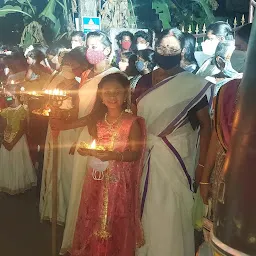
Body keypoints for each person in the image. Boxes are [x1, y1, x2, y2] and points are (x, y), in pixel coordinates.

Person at [135, 28, 212, 256]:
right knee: (147, 207)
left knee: (171, 210)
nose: (166, 52)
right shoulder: (143, 81)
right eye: (161, 48)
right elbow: (135, 119)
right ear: (154, 49)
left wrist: (201, 167)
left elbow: (206, 126)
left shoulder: (192, 84)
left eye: (172, 49)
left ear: (182, 52)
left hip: (177, 155)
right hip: (145, 153)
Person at [59, 31, 120, 255]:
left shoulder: (115, 76)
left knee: (98, 192)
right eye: (88, 46)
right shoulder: (85, 74)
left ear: (108, 49)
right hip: (83, 133)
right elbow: (80, 105)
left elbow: (99, 112)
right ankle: (79, 240)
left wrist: (68, 125)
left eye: (96, 45)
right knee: (79, 189)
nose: (91, 50)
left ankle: (98, 244)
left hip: (103, 136)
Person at [71, 73, 145, 256]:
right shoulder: (98, 121)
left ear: (126, 95)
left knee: (115, 218)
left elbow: (135, 154)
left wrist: (114, 156)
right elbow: (97, 145)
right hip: (97, 177)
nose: (112, 97)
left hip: (119, 182)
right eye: (107, 93)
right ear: (101, 97)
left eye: (117, 92)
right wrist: (88, 151)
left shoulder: (132, 122)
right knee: (94, 216)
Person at [199, 78, 242, 253]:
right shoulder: (229, 91)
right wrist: (204, 179)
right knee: (222, 230)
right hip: (224, 172)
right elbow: (217, 137)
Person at [39, 52, 80, 224]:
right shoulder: (58, 83)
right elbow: (48, 104)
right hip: (55, 127)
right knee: (54, 166)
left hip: (71, 130)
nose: (67, 67)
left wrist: (67, 112)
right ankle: (54, 209)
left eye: (71, 64)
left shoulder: (80, 86)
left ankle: (68, 213)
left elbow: (79, 110)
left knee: (68, 169)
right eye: (65, 63)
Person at [0, 85, 37, 194]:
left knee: (18, 161)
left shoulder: (22, 110)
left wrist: (12, 143)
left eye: (8, 96)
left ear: (15, 95)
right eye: (5, 95)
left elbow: (22, 129)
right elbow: (4, 125)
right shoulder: (6, 111)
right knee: (6, 161)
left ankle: (17, 184)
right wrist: (4, 138)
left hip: (18, 140)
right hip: (7, 138)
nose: (6, 98)